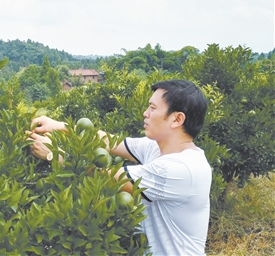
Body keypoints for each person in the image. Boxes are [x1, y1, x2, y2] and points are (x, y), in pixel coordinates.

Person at [26, 79, 212, 256]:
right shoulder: (157, 147)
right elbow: (108, 141)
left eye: (153, 108)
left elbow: (104, 177)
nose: (145, 113)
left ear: (177, 119)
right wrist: (58, 125)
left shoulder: (183, 169)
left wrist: (54, 154)